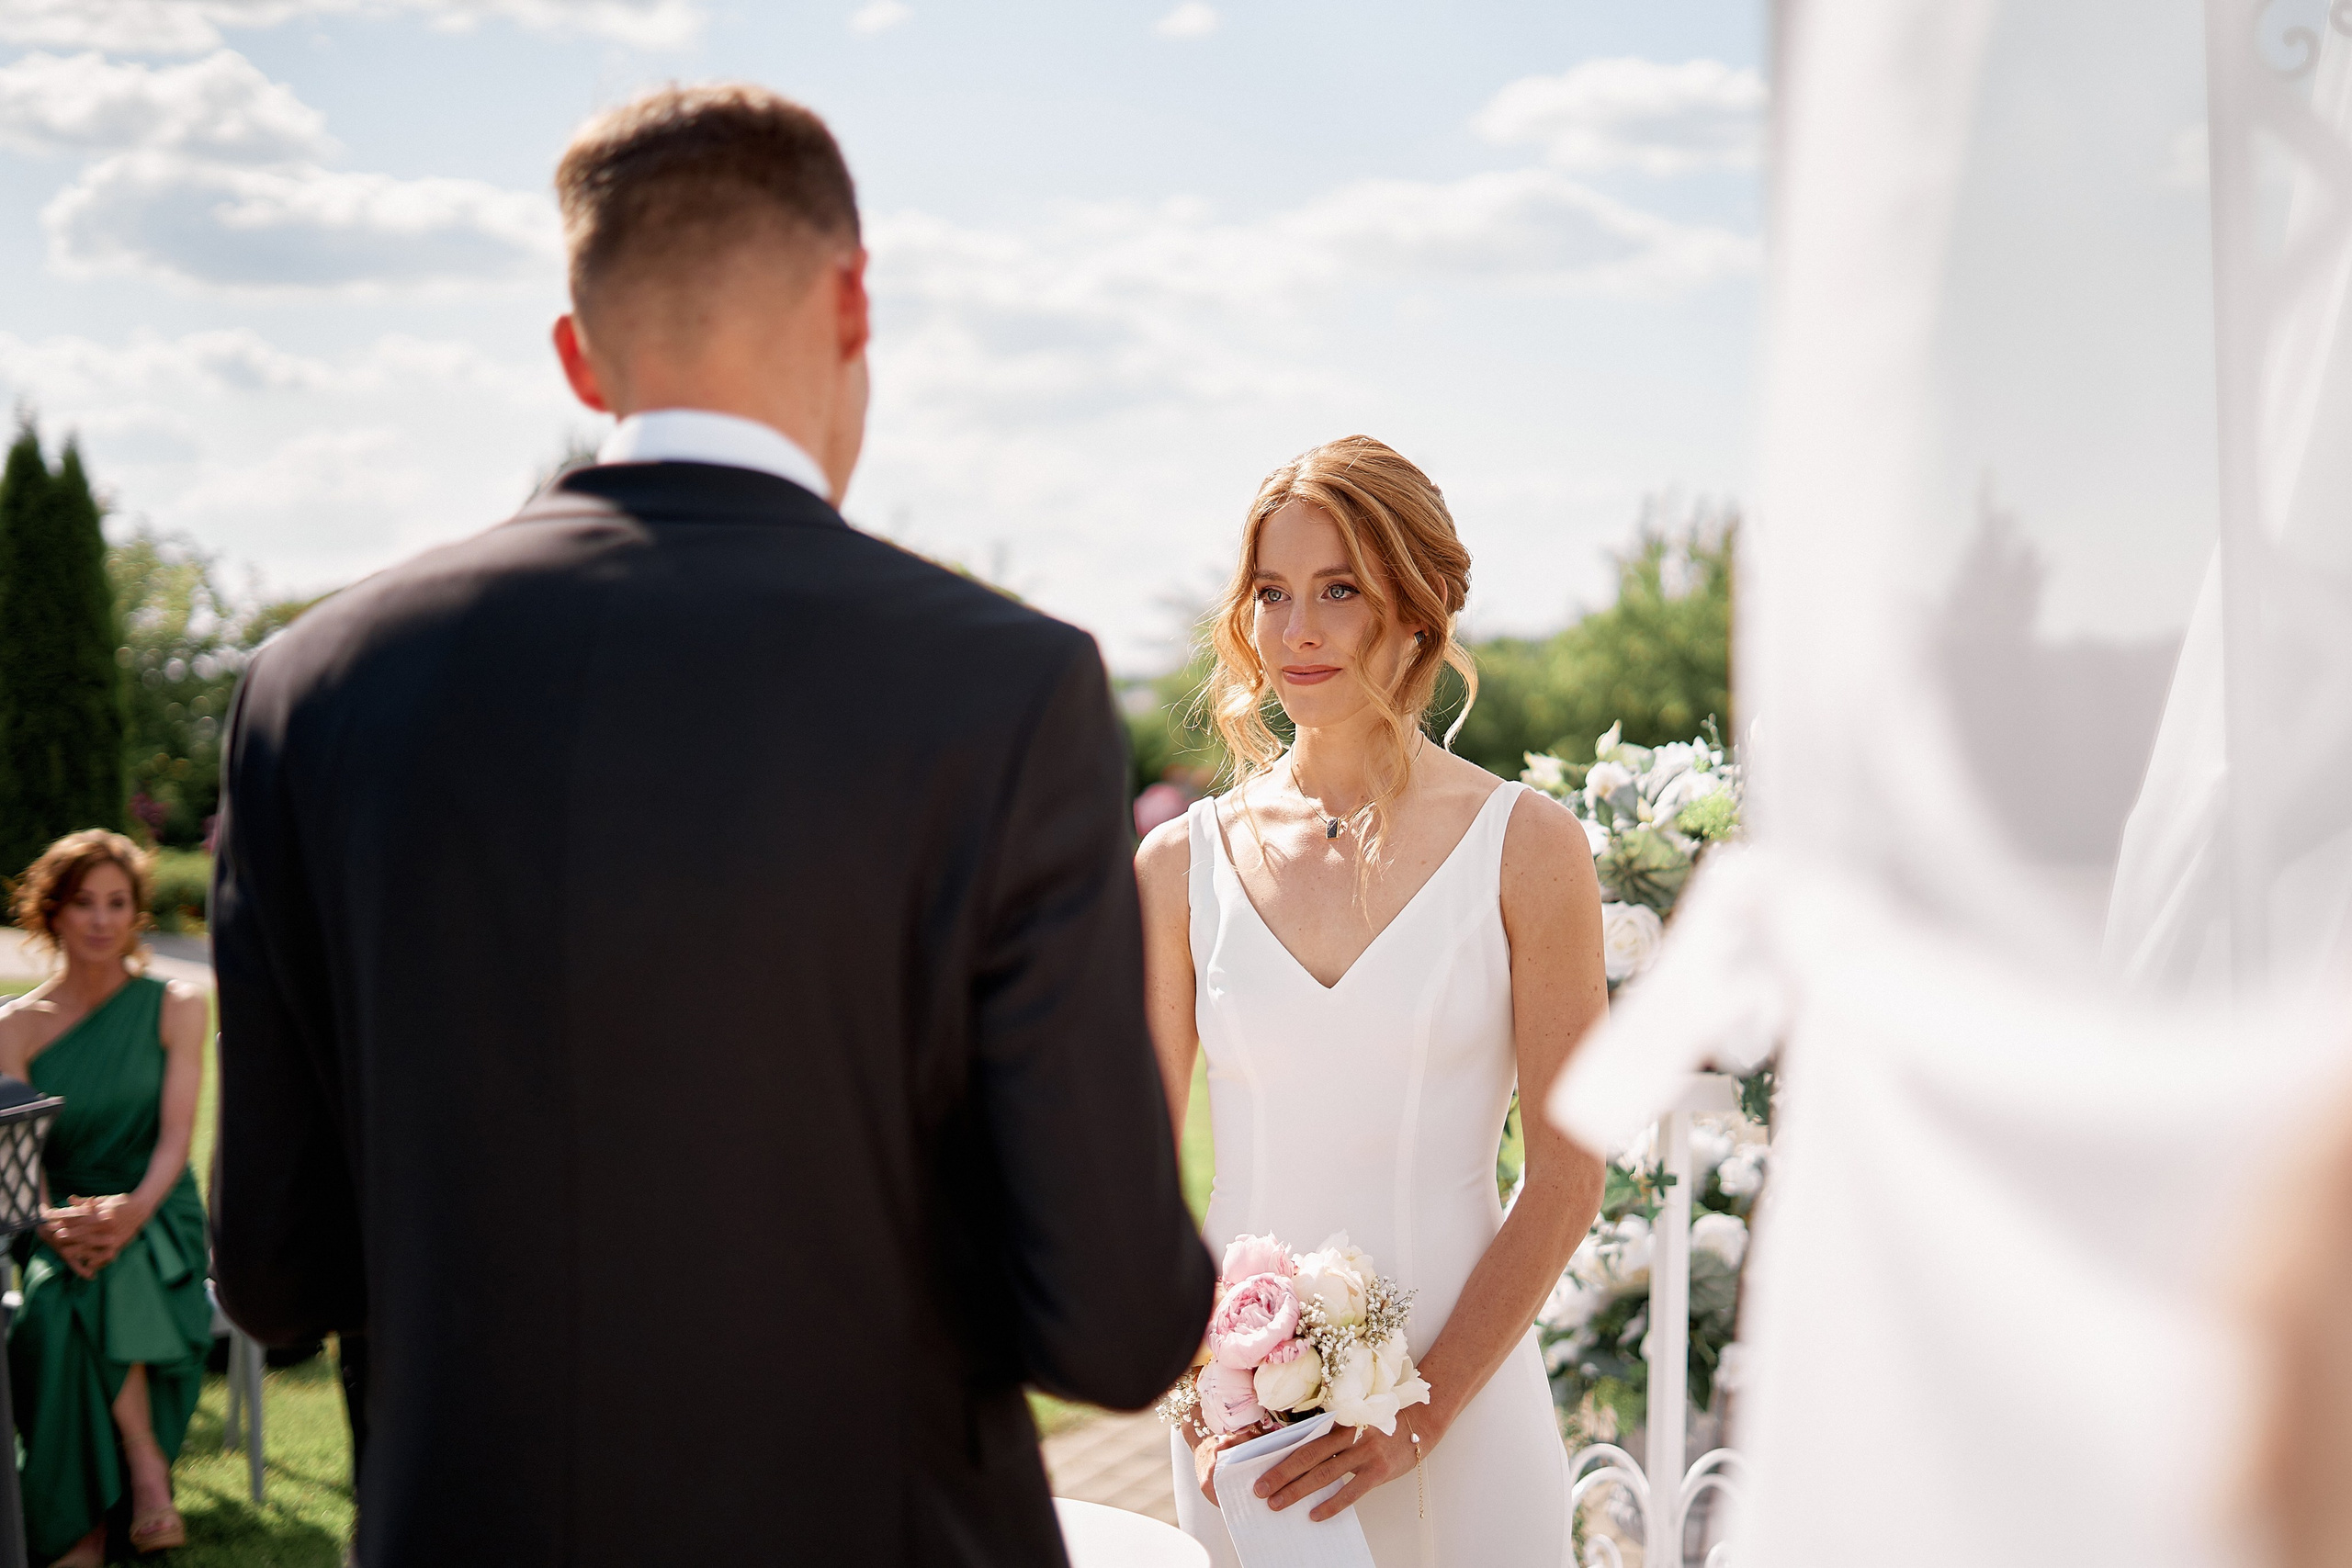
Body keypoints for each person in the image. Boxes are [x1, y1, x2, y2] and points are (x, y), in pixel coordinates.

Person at [209, 85, 1214, 1567]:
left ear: (577, 349)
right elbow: (1117, 1325)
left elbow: (275, 1274)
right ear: (854, 298)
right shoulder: (1006, 689)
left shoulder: (313, 685)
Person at [1136, 436, 1611, 1565]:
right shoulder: (1176, 867)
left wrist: (1424, 1410)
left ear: (1415, 609)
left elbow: (1565, 1173)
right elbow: (1134, 1183)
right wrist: (1208, 1395)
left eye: (1338, 591)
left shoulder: (1528, 848)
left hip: (1467, 1402)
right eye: (1270, 593)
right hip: (1243, 1432)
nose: (1296, 631)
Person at [0, 831, 210, 1566]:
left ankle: (84, 1524)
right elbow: (16, 1162)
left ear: (134, 913)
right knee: (57, 1302)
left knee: (90, 1281)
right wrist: (52, 1223)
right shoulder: (14, 1026)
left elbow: (175, 1139)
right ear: (52, 912)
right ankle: (138, 1482)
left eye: (116, 903)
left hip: (159, 1209)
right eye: (83, 902)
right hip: (52, 1214)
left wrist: (130, 1211)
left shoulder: (175, 1005)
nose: (100, 919)